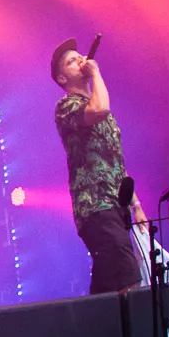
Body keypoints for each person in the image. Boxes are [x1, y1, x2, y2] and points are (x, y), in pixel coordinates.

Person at [51, 38, 144, 295]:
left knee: (108, 287)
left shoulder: (101, 109)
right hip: (95, 206)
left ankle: (94, 320)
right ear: (62, 78)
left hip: (116, 204)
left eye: (80, 56)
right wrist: (95, 73)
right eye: (72, 61)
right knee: (128, 278)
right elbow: (100, 109)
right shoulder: (67, 106)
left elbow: (115, 162)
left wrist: (136, 205)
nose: (81, 60)